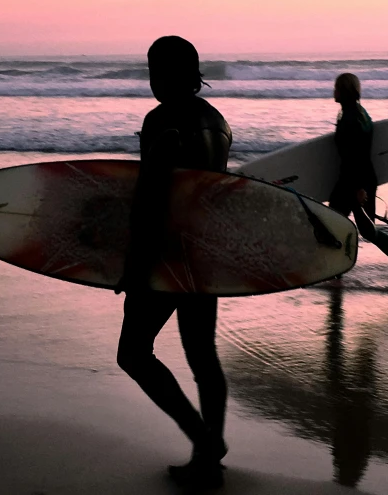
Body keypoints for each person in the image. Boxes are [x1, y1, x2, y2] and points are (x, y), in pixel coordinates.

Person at [116, 36, 232, 489]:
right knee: (203, 358)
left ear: (168, 74)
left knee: (134, 353)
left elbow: (152, 198)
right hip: (204, 254)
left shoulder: (162, 121)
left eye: (153, 70)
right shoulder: (218, 122)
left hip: (166, 255)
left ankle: (204, 442)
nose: (151, 80)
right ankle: (210, 457)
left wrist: (133, 263)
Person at [329, 73, 388, 289]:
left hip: (354, 180)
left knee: (336, 224)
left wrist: (358, 188)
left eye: (336, 88)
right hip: (359, 178)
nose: (333, 91)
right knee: (349, 227)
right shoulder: (359, 114)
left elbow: (356, 154)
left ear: (344, 91)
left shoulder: (350, 118)